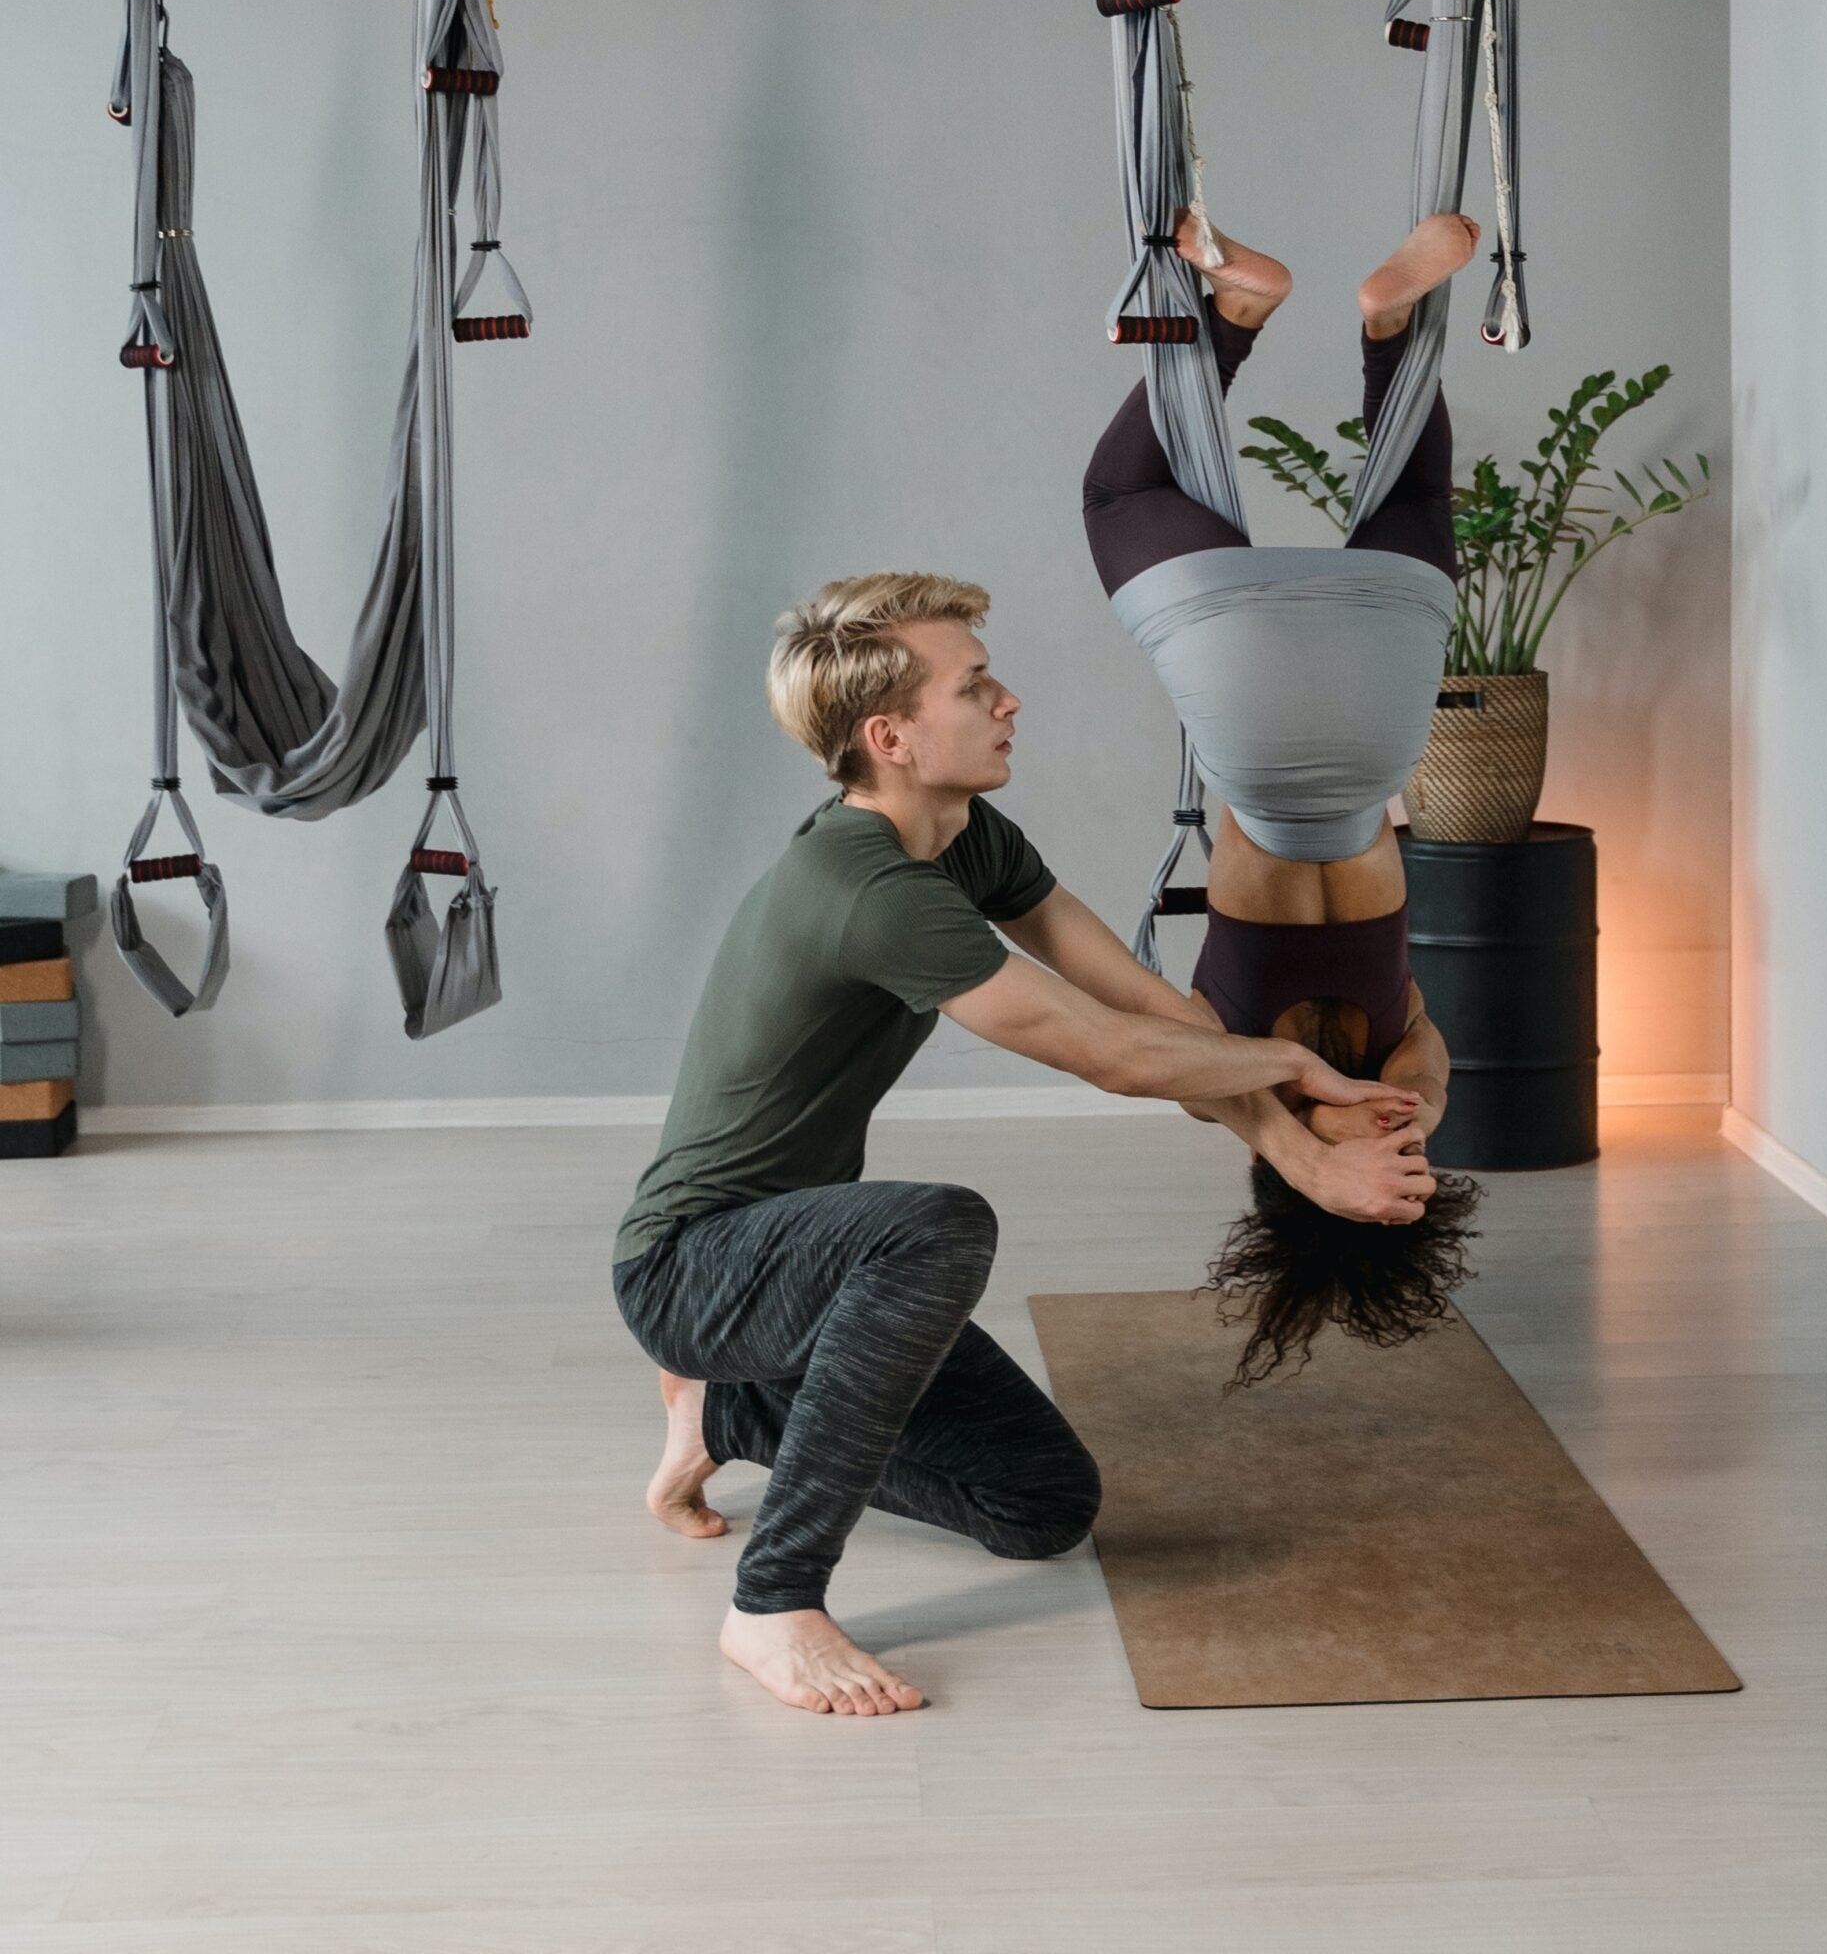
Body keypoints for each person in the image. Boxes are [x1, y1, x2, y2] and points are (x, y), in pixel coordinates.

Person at [612, 572, 1432, 1716]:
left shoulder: (960, 836)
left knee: (1043, 1504)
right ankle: (772, 1603)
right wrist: (1296, 1089)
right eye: (974, 686)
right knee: (935, 1227)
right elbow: (1106, 1053)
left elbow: (1146, 1011)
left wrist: (1298, 1148)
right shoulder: (868, 886)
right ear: (890, 737)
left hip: (809, 1270)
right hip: (692, 1268)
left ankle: (729, 1410)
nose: (1007, 701)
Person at [1083, 206, 1486, 1387]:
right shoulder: (1288, 1083)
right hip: (1257, 732)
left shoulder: (1341, 1079)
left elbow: (1385, 1093)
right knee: (1122, 495)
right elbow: (1242, 1087)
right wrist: (1341, 1142)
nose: (1403, 1149)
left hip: (1374, 720)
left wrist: (1342, 1145)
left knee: (1414, 500)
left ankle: (1385, 330)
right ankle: (1239, 314)